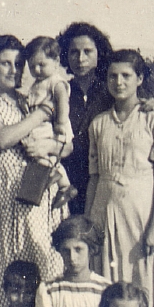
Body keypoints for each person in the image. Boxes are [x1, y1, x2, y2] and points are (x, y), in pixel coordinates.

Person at [0, 35, 65, 307]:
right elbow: (3, 139)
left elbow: (62, 140)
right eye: (5, 63)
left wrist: (47, 143)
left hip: (39, 194)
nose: (14, 70)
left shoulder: (26, 100)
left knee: (48, 267)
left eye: (19, 64)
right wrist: (41, 114)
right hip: (7, 201)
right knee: (4, 275)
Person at [86, 49, 154, 304]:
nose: (119, 82)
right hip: (104, 209)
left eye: (126, 75)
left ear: (140, 79)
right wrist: (88, 222)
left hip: (141, 212)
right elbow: (94, 177)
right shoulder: (99, 123)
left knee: (147, 281)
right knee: (107, 283)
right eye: (112, 76)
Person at [55, 22, 116, 217]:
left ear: (99, 54)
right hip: (68, 181)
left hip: (103, 180)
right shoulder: (60, 91)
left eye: (87, 51)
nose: (80, 59)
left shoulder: (112, 91)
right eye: (74, 52)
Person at [18, 36, 76, 208]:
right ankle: (64, 185)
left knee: (41, 153)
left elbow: (63, 100)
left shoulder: (55, 81)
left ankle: (58, 183)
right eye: (32, 66)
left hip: (53, 125)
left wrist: (60, 121)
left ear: (56, 61)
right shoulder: (37, 84)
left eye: (42, 64)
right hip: (42, 124)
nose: (37, 69)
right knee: (44, 155)